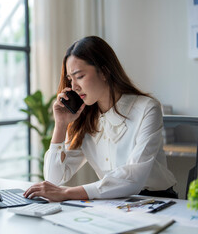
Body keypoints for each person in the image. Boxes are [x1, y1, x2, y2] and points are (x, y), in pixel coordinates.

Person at [23, 36, 177, 202]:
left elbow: (134, 178)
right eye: (70, 79)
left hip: (157, 200)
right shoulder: (85, 118)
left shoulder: (147, 108)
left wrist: (66, 193)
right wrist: (60, 125)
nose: (74, 86)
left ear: (104, 72)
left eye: (79, 76)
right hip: (113, 201)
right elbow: (53, 179)